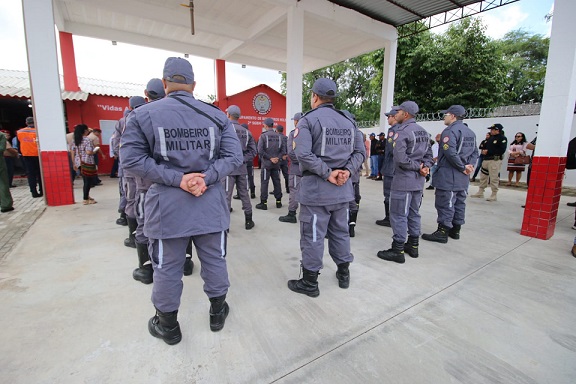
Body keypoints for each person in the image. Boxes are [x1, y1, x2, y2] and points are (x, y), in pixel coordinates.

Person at [121, 57, 243, 344]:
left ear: (164, 84)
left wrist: (178, 179)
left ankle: (168, 326)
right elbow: (234, 158)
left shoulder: (144, 115)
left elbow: (130, 160)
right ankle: (216, 313)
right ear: (194, 85)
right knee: (215, 260)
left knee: (167, 266)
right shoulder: (217, 116)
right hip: (209, 204)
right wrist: (206, 176)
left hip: (167, 208)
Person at [287, 78, 365, 297]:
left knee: (313, 235)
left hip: (317, 191)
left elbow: (302, 153)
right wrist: (347, 171)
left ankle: (310, 283)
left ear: (314, 96)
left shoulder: (307, 121)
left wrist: (328, 173)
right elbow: (360, 153)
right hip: (342, 190)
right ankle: (343, 273)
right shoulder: (348, 121)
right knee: (340, 233)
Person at [377, 101, 432, 263]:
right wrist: (425, 167)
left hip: (404, 180)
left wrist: (418, 167)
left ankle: (398, 249)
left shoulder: (402, 132)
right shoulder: (423, 132)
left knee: (399, 214)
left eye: (399, 111)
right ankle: (413, 246)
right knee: (414, 212)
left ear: (406, 114)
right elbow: (429, 155)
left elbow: (400, 159)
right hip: (418, 182)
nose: (396, 113)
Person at [421, 105, 477, 243]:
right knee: (459, 202)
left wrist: (462, 166)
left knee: (446, 202)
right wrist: (469, 167)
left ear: (452, 116)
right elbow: (475, 152)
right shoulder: (470, 132)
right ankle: (456, 230)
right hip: (463, 176)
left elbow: (450, 152)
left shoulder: (449, 131)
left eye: (446, 114)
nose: (444, 117)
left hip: (450, 174)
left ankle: (443, 231)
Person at [117, 96, 146, 246]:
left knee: (133, 200)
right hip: (152, 171)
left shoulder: (125, 121)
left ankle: (135, 238)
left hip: (131, 171)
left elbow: (118, 146)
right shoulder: (152, 114)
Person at [223, 105, 257, 230]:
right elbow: (253, 151)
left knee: (226, 196)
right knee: (244, 194)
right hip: (242, 168)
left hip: (227, 169)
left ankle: (225, 226)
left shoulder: (224, 129)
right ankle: (249, 221)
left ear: (228, 115)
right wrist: (241, 159)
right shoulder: (247, 132)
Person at [471, 123, 508, 202]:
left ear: (497, 130)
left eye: (492, 129)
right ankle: (480, 191)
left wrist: (489, 151)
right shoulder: (490, 138)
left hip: (494, 160)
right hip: (486, 159)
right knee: (483, 177)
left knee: (494, 177)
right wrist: (484, 151)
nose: (491, 131)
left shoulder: (502, 138)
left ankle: (494, 194)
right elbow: (484, 146)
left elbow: (501, 150)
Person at [375, 107, 399, 227]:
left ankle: (389, 218)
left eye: (389, 116)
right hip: (399, 169)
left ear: (395, 117)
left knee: (388, 193)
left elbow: (390, 150)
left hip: (391, 167)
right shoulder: (404, 128)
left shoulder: (392, 131)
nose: (388, 118)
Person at [256, 117, 286, 210]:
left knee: (264, 183)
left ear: (265, 125)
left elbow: (260, 151)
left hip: (266, 164)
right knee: (277, 182)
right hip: (276, 164)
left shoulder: (263, 136)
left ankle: (263, 203)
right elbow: (283, 151)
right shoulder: (280, 136)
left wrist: (270, 158)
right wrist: (278, 158)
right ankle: (279, 202)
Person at [279, 112, 303, 224]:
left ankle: (291, 214)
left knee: (294, 191)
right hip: (309, 169)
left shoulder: (294, 134)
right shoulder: (311, 133)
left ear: (297, 121)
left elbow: (291, 153)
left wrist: (302, 162)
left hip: (296, 169)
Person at [70, 124, 100, 205]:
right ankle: (85, 199)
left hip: (78, 162)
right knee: (88, 181)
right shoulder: (87, 140)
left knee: (85, 180)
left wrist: (74, 163)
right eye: (87, 130)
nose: (88, 131)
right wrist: (94, 151)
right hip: (87, 162)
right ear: (84, 131)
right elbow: (88, 152)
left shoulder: (74, 140)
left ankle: (87, 195)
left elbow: (72, 152)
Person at [16, 117, 43, 198]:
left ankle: (33, 192)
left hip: (26, 155)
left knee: (31, 174)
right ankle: (42, 190)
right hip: (38, 155)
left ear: (26, 122)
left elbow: (18, 144)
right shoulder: (38, 131)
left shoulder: (19, 132)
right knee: (40, 173)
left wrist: (21, 153)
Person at [0, 130, 14, 213]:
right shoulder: (1, 135)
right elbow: (2, 148)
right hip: (0, 164)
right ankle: (6, 205)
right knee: (3, 183)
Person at [276, 124, 290, 194]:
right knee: (286, 174)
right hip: (285, 158)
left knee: (277, 176)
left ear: (277, 130)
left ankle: (278, 190)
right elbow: (289, 148)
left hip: (278, 159)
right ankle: (288, 189)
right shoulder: (286, 138)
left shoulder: (277, 137)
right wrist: (286, 155)